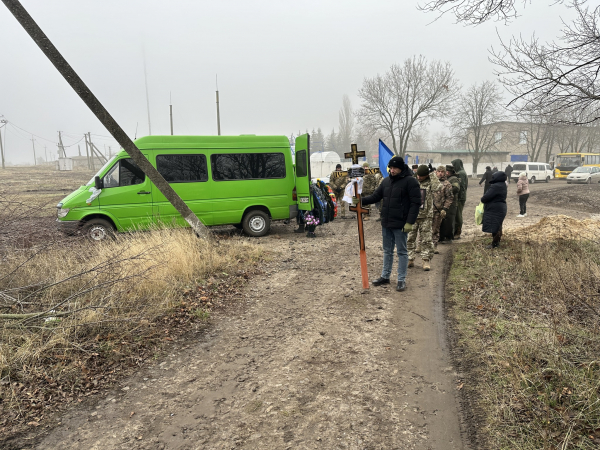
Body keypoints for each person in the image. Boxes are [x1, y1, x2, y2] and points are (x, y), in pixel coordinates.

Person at [361, 156, 421, 292]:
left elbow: (416, 203)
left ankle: (401, 279)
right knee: (387, 251)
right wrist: (360, 200)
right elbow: (376, 196)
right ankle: (385, 276)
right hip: (387, 222)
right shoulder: (386, 181)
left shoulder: (410, 182)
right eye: (391, 168)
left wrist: (410, 222)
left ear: (401, 168)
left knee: (402, 252)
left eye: (394, 168)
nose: (392, 170)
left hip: (401, 223)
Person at [407, 165, 441, 271]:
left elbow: (438, 187)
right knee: (410, 238)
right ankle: (410, 258)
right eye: (418, 175)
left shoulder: (430, 182)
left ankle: (426, 260)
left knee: (426, 240)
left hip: (426, 216)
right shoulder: (412, 181)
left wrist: (433, 175)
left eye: (422, 176)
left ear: (426, 175)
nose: (419, 177)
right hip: (412, 215)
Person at [481, 171, 507, 249]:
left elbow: (485, 197)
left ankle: (495, 244)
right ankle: (496, 243)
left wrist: (483, 199)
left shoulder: (495, 186)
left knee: (495, 226)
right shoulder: (503, 184)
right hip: (500, 207)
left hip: (495, 208)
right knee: (498, 225)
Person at [432, 165, 454, 252]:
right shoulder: (431, 182)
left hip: (438, 210)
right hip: (428, 209)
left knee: (436, 229)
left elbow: (449, 197)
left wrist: (444, 209)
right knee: (425, 228)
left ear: (445, 173)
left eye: (442, 172)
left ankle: (434, 246)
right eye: (439, 171)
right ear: (436, 172)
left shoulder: (447, 184)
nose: (440, 173)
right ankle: (422, 246)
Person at [439, 165, 461, 243]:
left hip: (452, 203)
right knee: (443, 220)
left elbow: (456, 188)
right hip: (445, 203)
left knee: (449, 220)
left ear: (448, 172)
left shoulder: (454, 179)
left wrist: (447, 190)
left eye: (444, 171)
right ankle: (441, 237)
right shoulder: (446, 179)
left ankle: (448, 238)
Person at [451, 159, 468, 240]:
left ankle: (458, 232)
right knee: (457, 214)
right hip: (460, 197)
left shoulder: (461, 173)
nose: (453, 167)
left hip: (460, 197)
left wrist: (459, 197)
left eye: (454, 165)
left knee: (458, 215)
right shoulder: (462, 172)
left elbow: (461, 187)